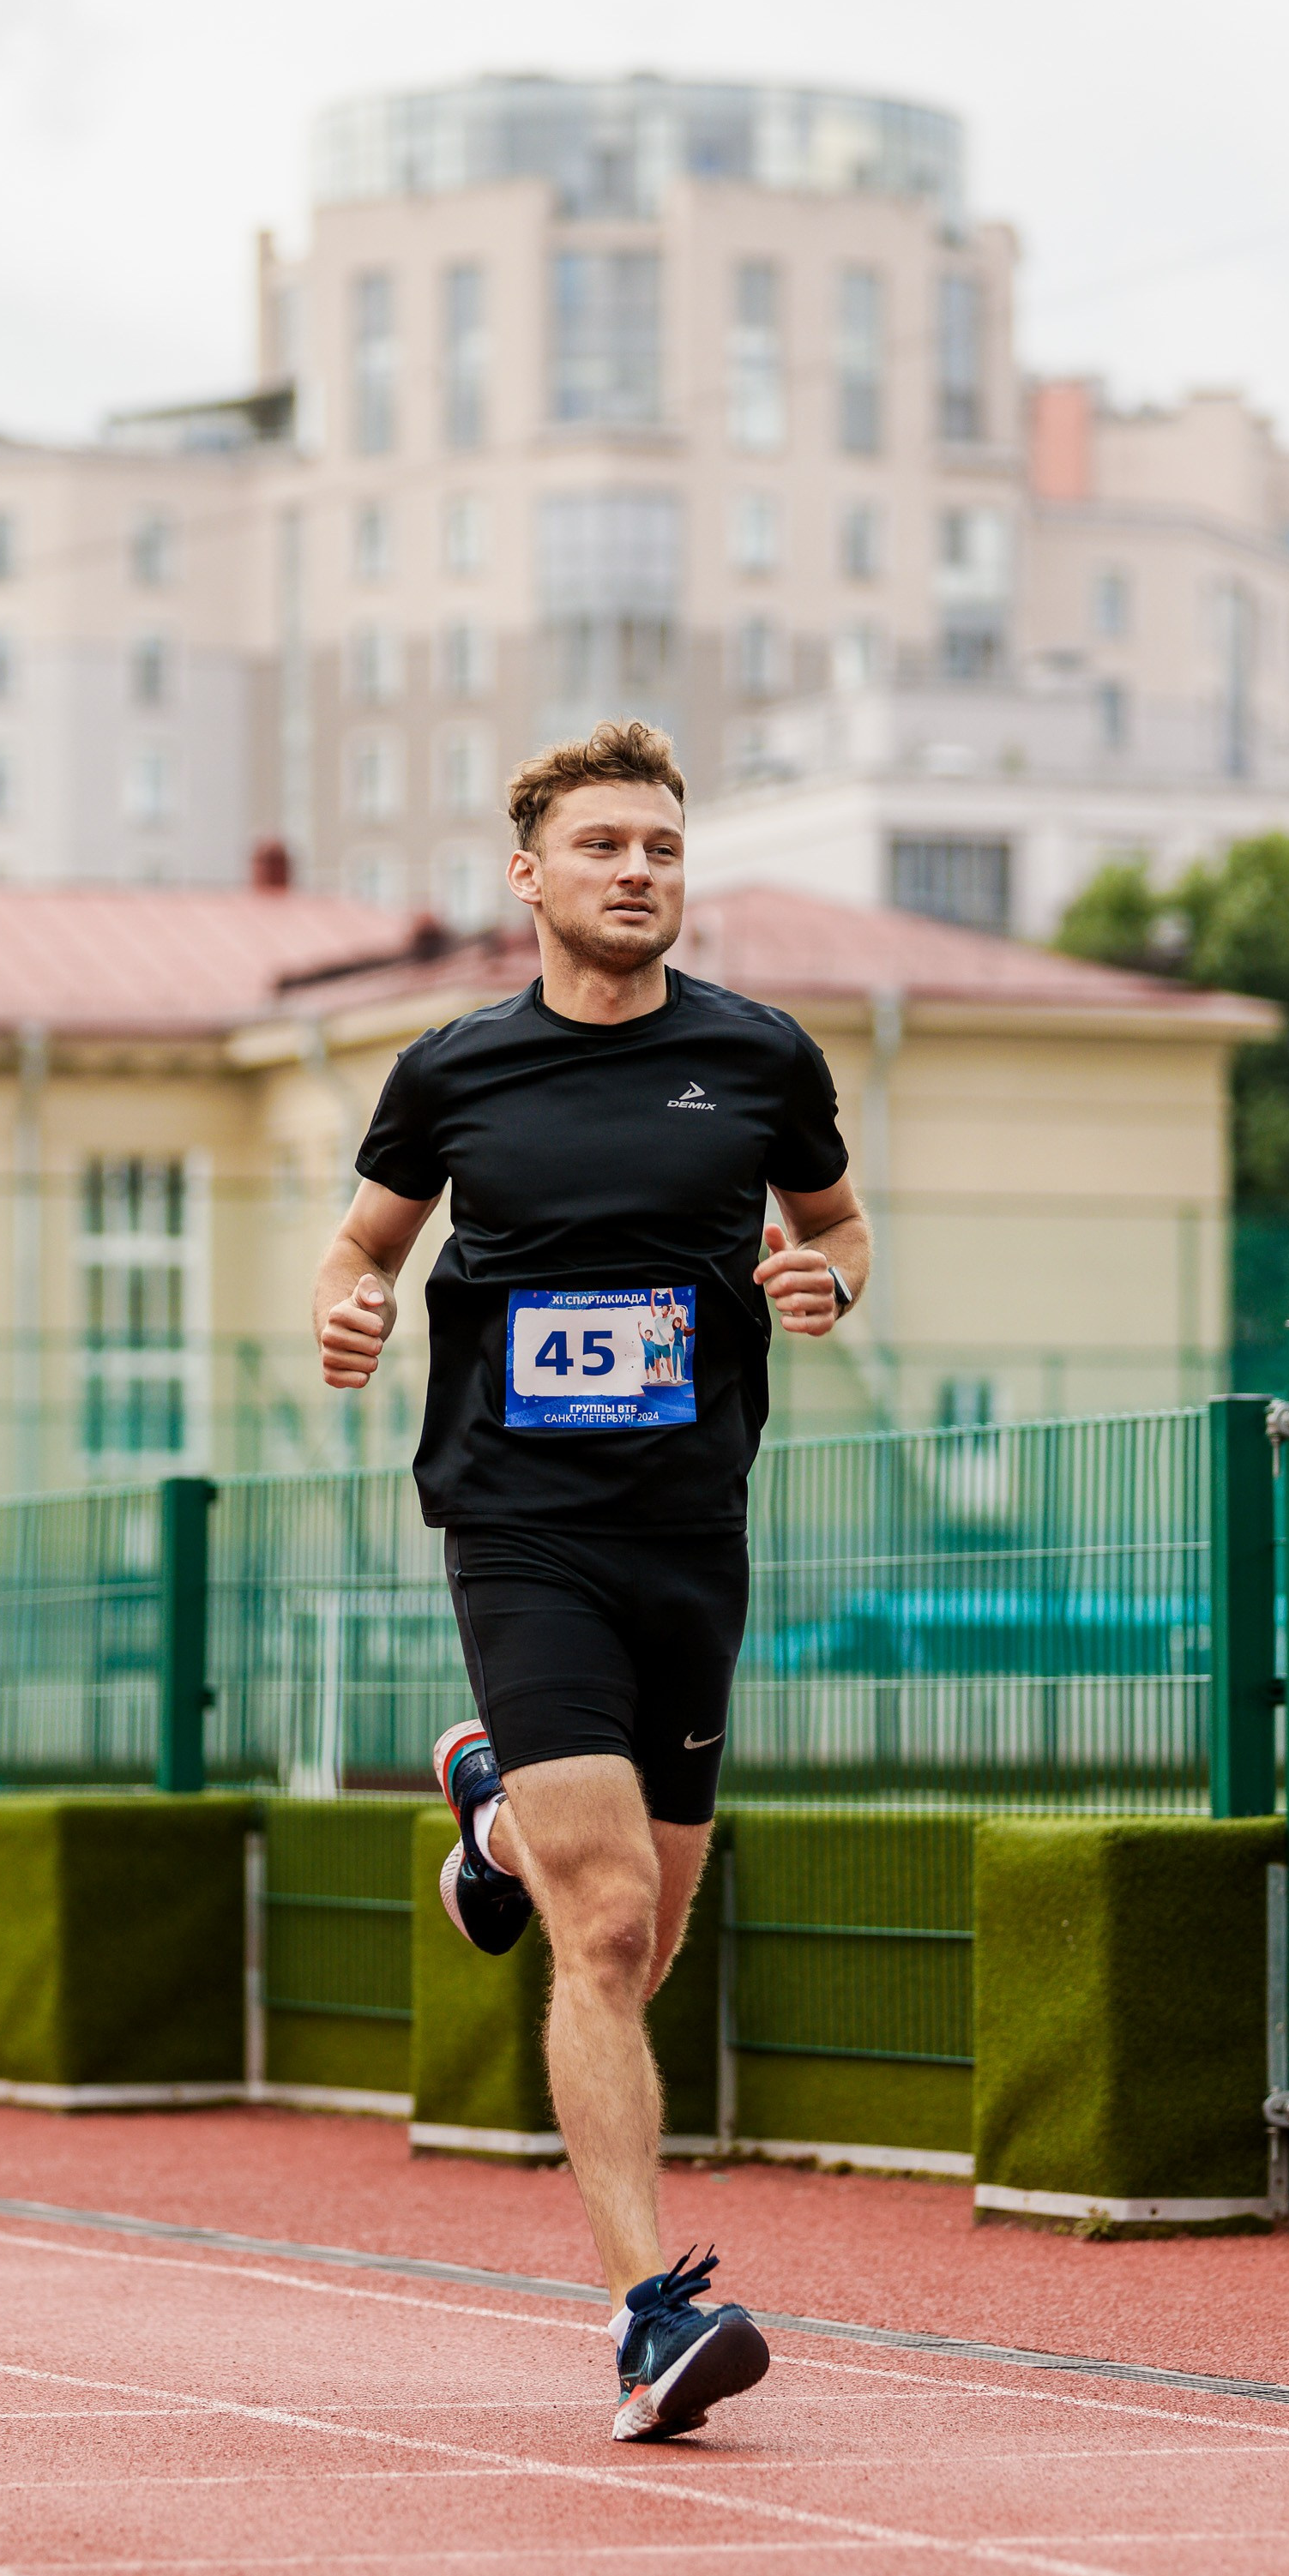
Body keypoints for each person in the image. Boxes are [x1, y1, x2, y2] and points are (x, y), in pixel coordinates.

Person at [311, 721, 870, 2443]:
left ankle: (484, 1808)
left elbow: (835, 1223)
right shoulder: (455, 1073)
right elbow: (365, 1242)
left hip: (691, 1529)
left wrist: (825, 1281)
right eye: (605, 845)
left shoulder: (759, 1059)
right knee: (606, 1919)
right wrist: (347, 1305)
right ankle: (646, 2316)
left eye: (662, 848)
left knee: (643, 1943)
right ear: (530, 876)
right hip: (520, 1526)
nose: (637, 871)